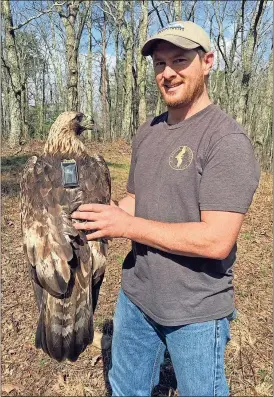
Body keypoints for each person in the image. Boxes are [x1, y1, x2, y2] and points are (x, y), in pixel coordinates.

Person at [72, 21, 260, 397]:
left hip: (196, 310)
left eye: (179, 61)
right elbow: (138, 199)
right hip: (137, 297)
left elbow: (217, 241)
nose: (168, 73)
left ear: (207, 62)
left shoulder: (226, 140)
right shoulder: (150, 130)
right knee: (126, 390)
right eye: (159, 63)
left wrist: (126, 225)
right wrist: (97, 213)